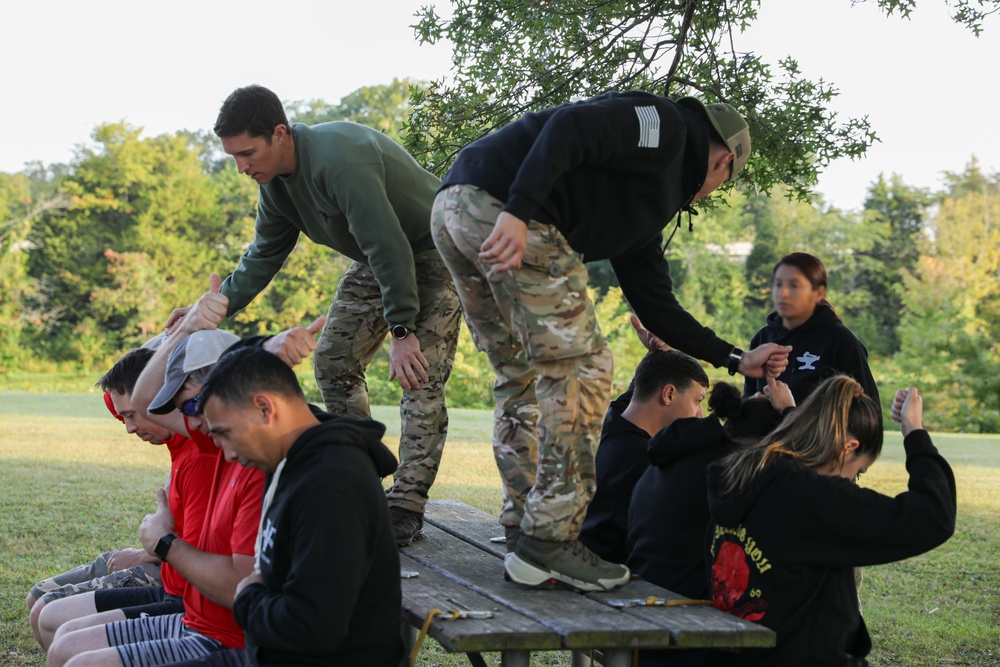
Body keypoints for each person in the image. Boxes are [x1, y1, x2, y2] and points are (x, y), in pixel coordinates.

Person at [430, 89, 791, 590]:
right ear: (725, 161)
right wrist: (518, 209)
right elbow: (571, 129)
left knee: (518, 375)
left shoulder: (644, 204)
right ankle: (549, 541)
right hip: (507, 211)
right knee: (587, 370)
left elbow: (657, 305)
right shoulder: (665, 126)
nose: (711, 194)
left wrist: (735, 357)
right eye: (723, 182)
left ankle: (524, 528)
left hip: (454, 209)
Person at [165, 84, 463, 546]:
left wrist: (402, 329)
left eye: (247, 154)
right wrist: (215, 306)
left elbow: (389, 244)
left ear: (280, 133)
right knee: (333, 362)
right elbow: (262, 255)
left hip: (434, 248)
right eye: (234, 158)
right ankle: (361, 481)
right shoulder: (275, 186)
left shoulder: (340, 159)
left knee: (418, 375)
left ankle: (404, 507)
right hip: (376, 259)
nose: (242, 168)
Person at [48, 305, 266, 666]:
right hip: (194, 620)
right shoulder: (210, 437)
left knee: (76, 656)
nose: (191, 420)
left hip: (220, 636)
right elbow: (144, 399)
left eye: (190, 404)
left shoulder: (224, 452)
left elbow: (236, 587)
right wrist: (181, 331)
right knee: (65, 647)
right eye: (184, 407)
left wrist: (163, 544)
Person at [705, 376, 956, 665]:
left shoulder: (738, 474)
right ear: (848, 447)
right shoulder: (810, 497)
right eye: (857, 471)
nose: (851, 483)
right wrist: (914, 432)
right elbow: (933, 516)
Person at [197, 346, 404, 667]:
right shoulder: (289, 451)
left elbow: (312, 627)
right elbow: (246, 361)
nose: (228, 454)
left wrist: (247, 597)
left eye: (224, 433)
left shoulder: (329, 485)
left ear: (264, 408)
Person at [34, 349, 218, 651]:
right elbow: (117, 394)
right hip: (173, 585)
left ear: (161, 399)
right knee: (45, 608)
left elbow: (199, 556)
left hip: (182, 596)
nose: (129, 428)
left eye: (132, 415)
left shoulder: (200, 455)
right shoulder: (181, 444)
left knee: (55, 621)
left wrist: (156, 546)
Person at [578, 349, 709, 564]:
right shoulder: (648, 461)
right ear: (669, 394)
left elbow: (637, 395)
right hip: (613, 573)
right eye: (698, 401)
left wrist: (657, 356)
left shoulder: (610, 426)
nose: (700, 414)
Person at [745, 252, 879, 405]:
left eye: (794, 285)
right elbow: (747, 397)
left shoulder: (841, 342)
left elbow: (869, 413)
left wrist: (789, 411)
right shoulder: (762, 339)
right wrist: (753, 403)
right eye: (779, 284)